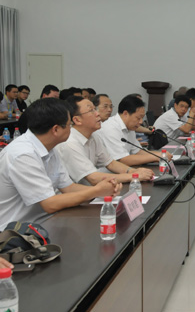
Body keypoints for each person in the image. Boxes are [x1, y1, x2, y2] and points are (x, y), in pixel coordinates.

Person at [0, 98, 121, 230]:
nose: (72, 129)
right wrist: (96, 191)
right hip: (16, 233)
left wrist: (105, 191)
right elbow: (50, 204)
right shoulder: (23, 155)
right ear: (56, 130)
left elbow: (68, 187)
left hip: (43, 222)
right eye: (69, 125)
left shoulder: (49, 147)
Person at [58, 96, 154, 185]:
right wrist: (133, 176)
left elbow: (110, 163)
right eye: (91, 111)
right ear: (77, 120)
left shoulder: (93, 135)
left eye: (95, 109)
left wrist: (133, 171)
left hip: (92, 190)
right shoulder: (70, 143)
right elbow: (93, 178)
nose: (98, 113)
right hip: (73, 197)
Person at [97, 95, 172, 166]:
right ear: (125, 114)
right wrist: (157, 157)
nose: (141, 122)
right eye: (138, 118)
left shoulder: (130, 127)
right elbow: (122, 160)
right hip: (106, 176)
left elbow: (138, 152)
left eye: (142, 118)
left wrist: (160, 154)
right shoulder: (110, 128)